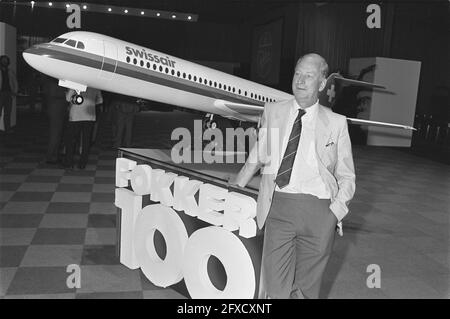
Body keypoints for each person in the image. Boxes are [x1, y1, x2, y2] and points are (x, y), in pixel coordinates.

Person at [230, 53, 355, 299]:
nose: (300, 80)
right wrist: (238, 182)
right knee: (275, 287)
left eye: (308, 76)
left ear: (321, 84)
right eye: (297, 73)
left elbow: (347, 177)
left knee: (306, 291)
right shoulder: (274, 111)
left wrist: (334, 214)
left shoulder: (336, 123)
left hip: (320, 212)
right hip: (279, 208)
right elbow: (260, 152)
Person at [63, 87, 103, 169]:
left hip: (75, 116)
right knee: (86, 141)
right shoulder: (95, 84)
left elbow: (67, 98)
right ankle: (82, 164)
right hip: (89, 115)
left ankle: (69, 162)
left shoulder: (75, 84)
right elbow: (100, 100)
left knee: (71, 140)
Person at [41, 76, 67, 164]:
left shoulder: (53, 81)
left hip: (57, 109)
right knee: (55, 134)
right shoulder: (52, 82)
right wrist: (66, 93)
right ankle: (50, 156)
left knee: (58, 134)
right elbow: (53, 94)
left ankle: (55, 156)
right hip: (56, 109)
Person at [0, 55, 18, 133]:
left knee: (8, 113)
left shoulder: (10, 71)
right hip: (0, 94)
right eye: (3, 60)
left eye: (6, 60)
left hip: (9, 94)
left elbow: (15, 82)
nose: (4, 61)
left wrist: (15, 92)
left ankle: (7, 129)